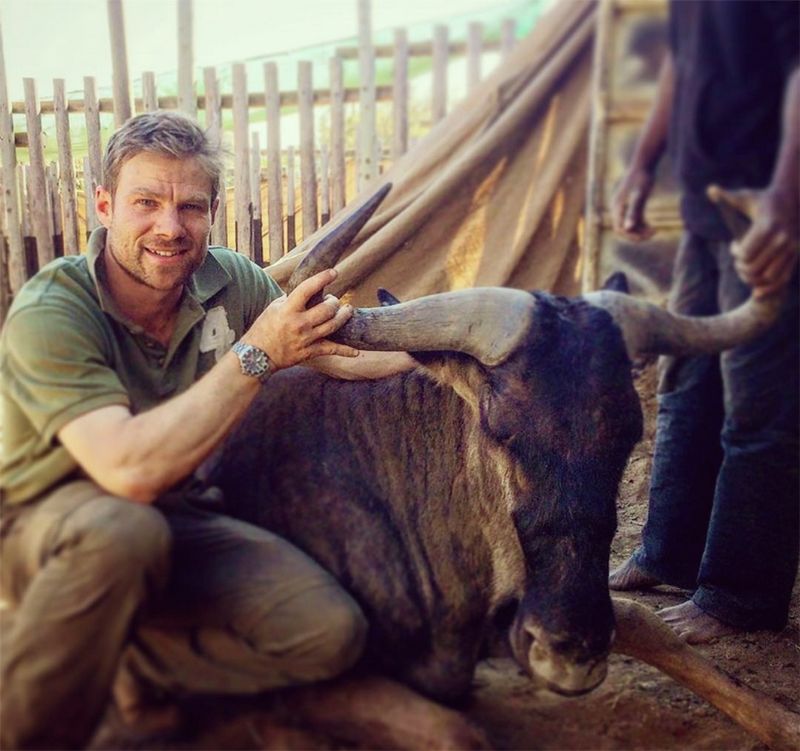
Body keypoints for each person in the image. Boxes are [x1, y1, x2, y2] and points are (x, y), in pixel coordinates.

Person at [0, 110, 413, 749]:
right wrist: (257, 352)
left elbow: (330, 353)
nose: (170, 227)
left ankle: (129, 666)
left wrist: (436, 361)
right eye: (146, 203)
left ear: (213, 210)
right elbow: (126, 474)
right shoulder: (53, 310)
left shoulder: (229, 280)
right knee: (122, 532)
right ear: (105, 205)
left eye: (191, 206)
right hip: (41, 529)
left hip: (176, 517)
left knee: (329, 633)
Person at [609, 0, 799, 644]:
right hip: (706, 208)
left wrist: (785, 200)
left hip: (770, 213)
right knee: (686, 386)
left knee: (760, 409)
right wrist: (642, 163)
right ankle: (669, 553)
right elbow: (686, 62)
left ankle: (741, 592)